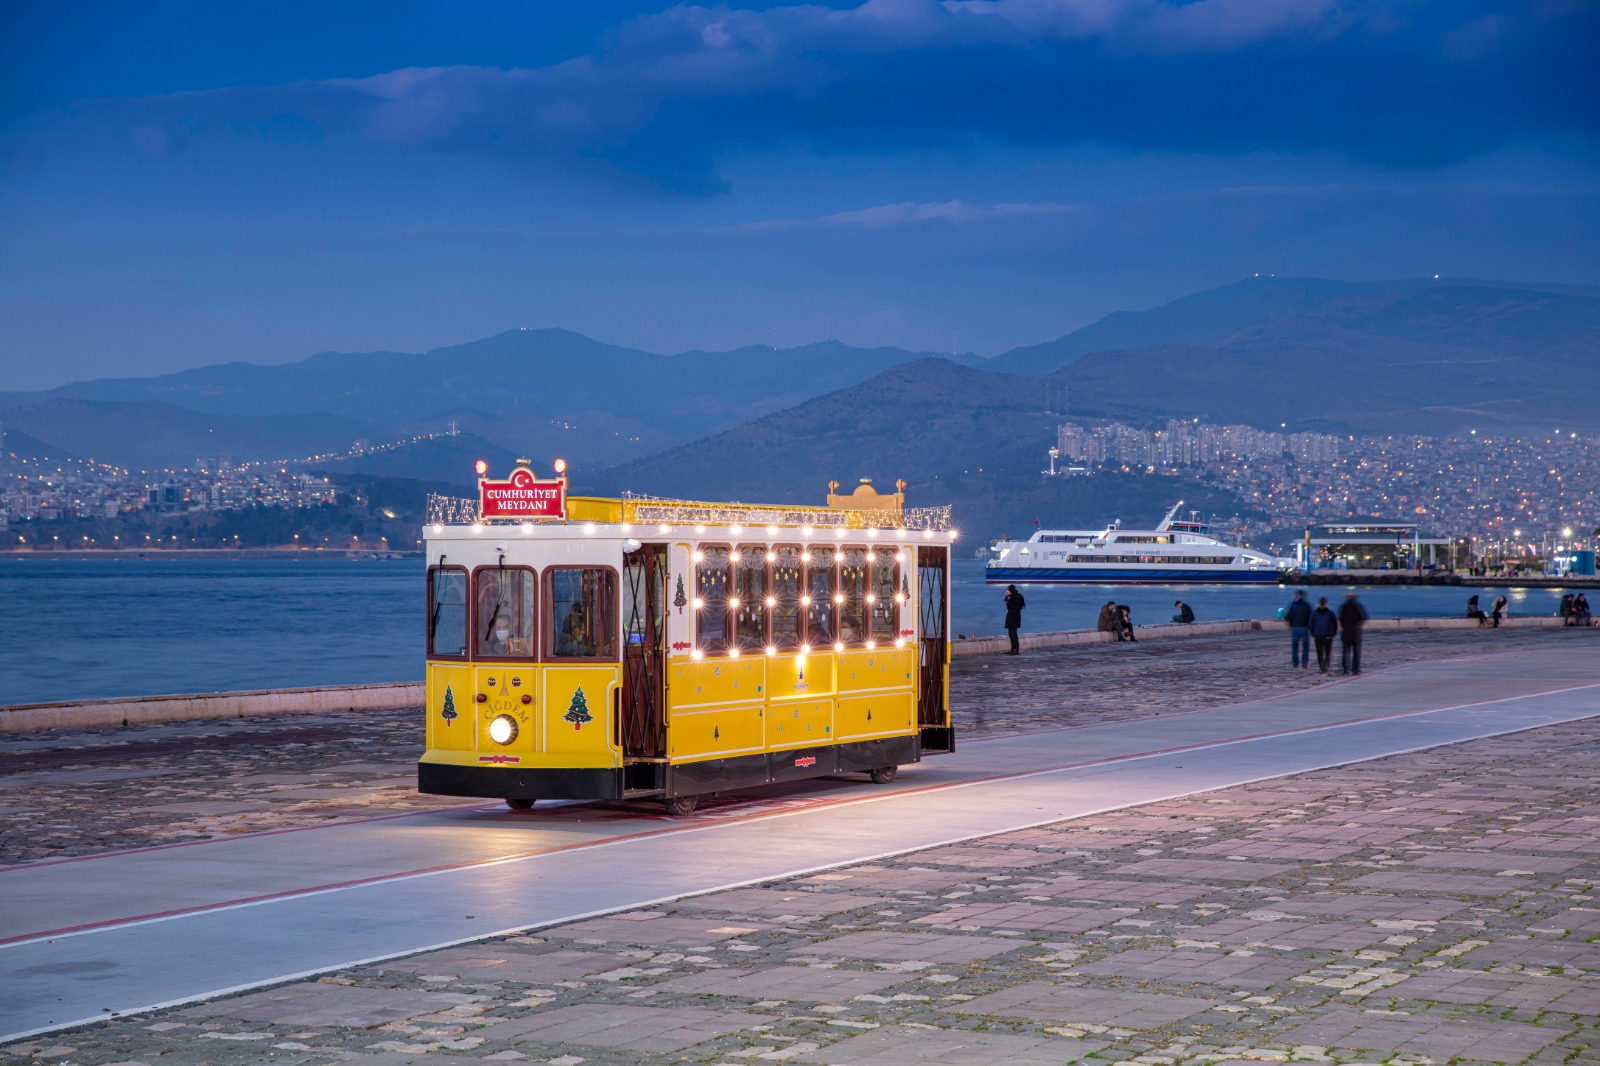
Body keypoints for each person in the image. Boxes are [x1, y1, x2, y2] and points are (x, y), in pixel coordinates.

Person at [1338, 593, 1368, 675]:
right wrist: (1358, 626)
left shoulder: (1344, 607)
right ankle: (1355, 669)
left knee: (1345, 652)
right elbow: (1363, 617)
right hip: (1355, 632)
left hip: (1346, 631)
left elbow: (1341, 618)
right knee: (1356, 652)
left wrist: (1344, 626)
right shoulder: (1358, 606)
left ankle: (1345, 669)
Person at [1309, 596, 1338, 673]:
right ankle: (1325, 665)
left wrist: (1313, 633)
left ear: (1319, 604)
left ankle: (1321, 666)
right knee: (1327, 653)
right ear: (1326, 603)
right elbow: (1335, 624)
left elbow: (1311, 625)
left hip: (1318, 636)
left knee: (1319, 653)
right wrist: (1333, 633)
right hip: (1328, 636)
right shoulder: (1330, 613)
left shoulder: (1314, 613)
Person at [1284, 590, 1312, 669]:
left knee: (1295, 647)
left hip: (1295, 628)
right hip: (1304, 628)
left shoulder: (1293, 605)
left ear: (1298, 595)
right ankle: (1304, 663)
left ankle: (1295, 663)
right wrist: (1309, 627)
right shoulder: (1307, 605)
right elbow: (1310, 617)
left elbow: (1289, 616)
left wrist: (1291, 625)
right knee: (1305, 647)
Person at [1003, 584, 1026, 655]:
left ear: (1010, 590)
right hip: (1014, 615)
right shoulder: (1017, 596)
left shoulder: (1015, 597)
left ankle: (1015, 649)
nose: (1007, 591)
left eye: (1008, 590)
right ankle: (1013, 649)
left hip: (1013, 615)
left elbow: (1012, 605)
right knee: (1011, 633)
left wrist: (1007, 600)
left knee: (1013, 633)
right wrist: (1007, 598)